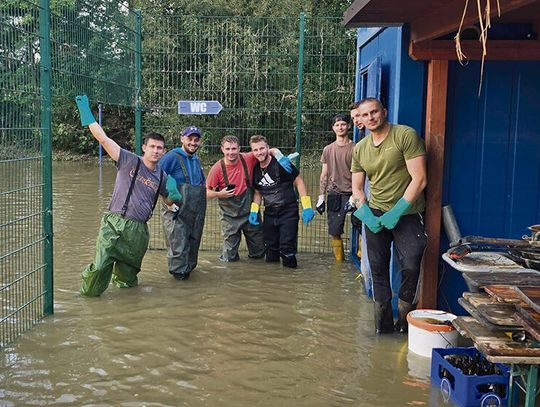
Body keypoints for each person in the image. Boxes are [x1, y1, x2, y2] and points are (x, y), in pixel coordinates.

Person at [75, 95, 181, 297]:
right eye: (152, 146)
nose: (156, 151)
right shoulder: (128, 160)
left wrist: (174, 198)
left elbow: (168, 203)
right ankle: (87, 302)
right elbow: (103, 139)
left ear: (164, 151)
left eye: (160, 148)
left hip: (138, 231)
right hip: (114, 223)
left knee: (128, 280)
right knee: (98, 268)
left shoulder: (163, 176)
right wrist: (86, 114)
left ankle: (124, 313)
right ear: (144, 147)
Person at [350, 98, 427, 334]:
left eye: (374, 112)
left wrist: (397, 211)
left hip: (408, 213)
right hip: (375, 213)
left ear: (384, 112)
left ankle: (404, 324)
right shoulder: (360, 148)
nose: (370, 117)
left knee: (412, 264)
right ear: (360, 120)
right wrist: (365, 213)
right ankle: (382, 330)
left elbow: (420, 179)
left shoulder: (405, 135)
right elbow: (357, 189)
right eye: (364, 115)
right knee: (378, 270)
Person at [206, 136, 297, 262]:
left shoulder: (248, 158)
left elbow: (267, 151)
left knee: (259, 253)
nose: (231, 152)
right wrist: (219, 194)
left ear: (239, 149)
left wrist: (279, 155)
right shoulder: (217, 169)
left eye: (234, 149)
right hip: (229, 217)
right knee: (229, 256)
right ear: (222, 150)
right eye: (227, 149)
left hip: (250, 213)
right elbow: (206, 192)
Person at [248, 135, 315, 268]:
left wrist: (307, 206)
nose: (259, 152)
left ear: (268, 148)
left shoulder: (282, 162)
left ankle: (291, 282)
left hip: (288, 211)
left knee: (287, 250)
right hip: (270, 213)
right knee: (270, 251)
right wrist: (254, 211)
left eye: (262, 148)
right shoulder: (255, 170)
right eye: (255, 150)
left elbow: (299, 181)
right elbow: (257, 192)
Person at [159, 126, 207, 280]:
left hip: (195, 211)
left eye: (196, 140)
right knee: (178, 248)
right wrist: (167, 201)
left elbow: (202, 185)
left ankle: (188, 278)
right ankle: (179, 283)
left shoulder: (196, 160)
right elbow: (156, 178)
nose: (193, 143)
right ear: (182, 138)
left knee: (193, 245)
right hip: (175, 211)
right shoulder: (171, 157)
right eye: (190, 139)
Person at [316, 113, 355, 262]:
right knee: (334, 230)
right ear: (333, 128)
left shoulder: (355, 148)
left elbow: (361, 173)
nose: (340, 127)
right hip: (334, 193)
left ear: (348, 126)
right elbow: (324, 174)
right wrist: (321, 197)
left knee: (360, 225)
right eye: (337, 125)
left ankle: (361, 256)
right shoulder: (327, 149)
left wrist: (354, 196)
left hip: (353, 193)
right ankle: (339, 263)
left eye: (343, 124)